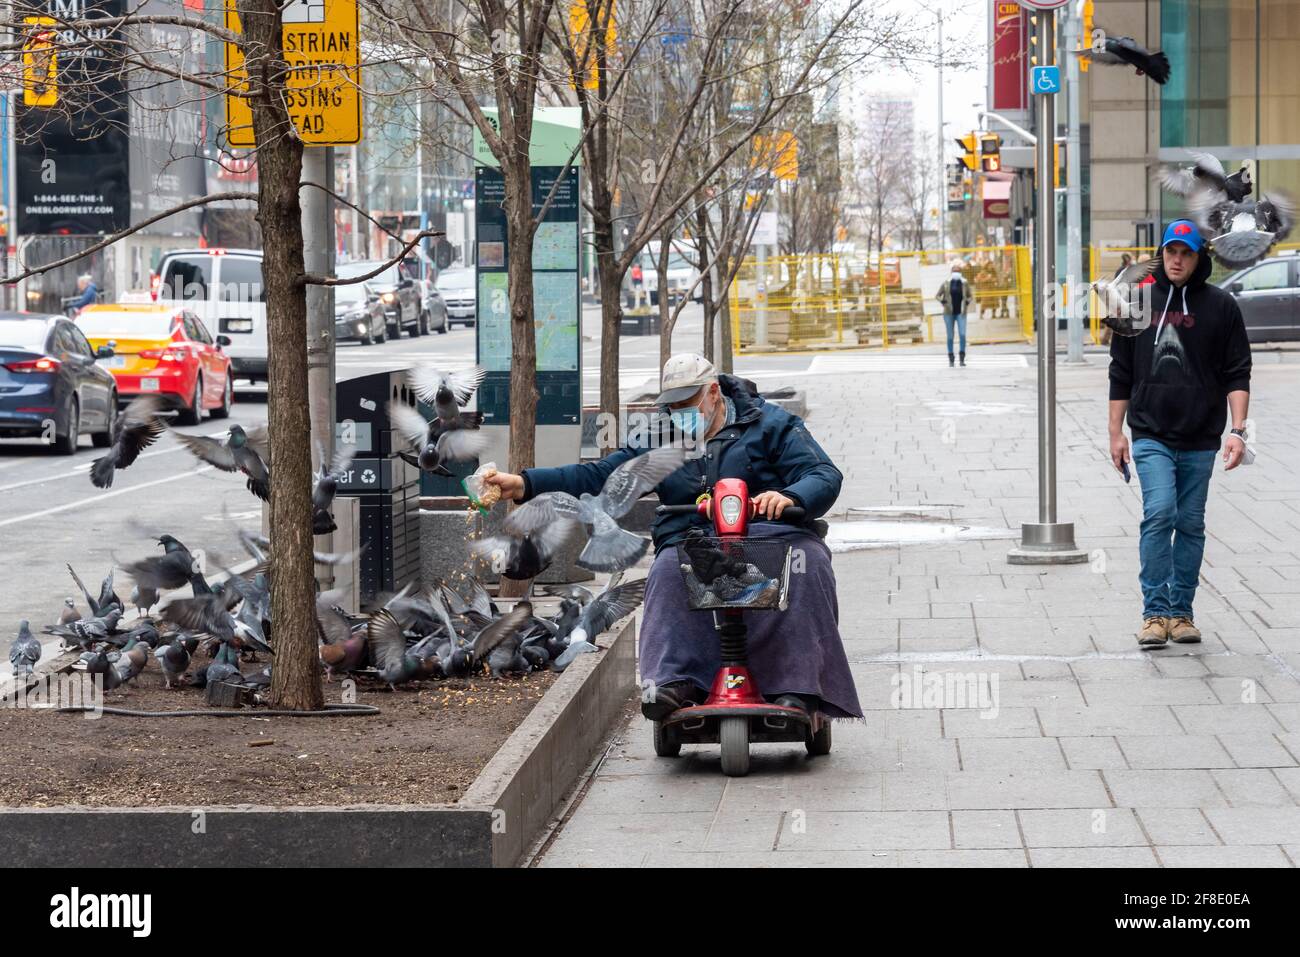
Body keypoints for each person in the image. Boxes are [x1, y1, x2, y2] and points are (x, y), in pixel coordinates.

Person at [485, 353, 863, 721]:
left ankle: (798, 685)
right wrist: (524, 483)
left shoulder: (771, 424)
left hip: (771, 534)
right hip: (692, 537)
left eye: (688, 403)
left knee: (805, 565)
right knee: (667, 572)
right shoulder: (658, 435)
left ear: (713, 392)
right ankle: (674, 681)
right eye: (672, 405)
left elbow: (823, 474)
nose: (680, 413)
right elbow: (599, 476)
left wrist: (790, 496)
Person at [1107, 220, 1252, 648]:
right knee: (1161, 513)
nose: (1177, 259)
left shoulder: (1222, 307)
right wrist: (1116, 433)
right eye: (1171, 250)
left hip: (1201, 436)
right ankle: (1154, 614)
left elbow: (1237, 372)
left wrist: (1238, 431)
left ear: (1198, 257)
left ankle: (1180, 612)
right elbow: (1120, 372)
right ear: (1162, 252)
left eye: (1186, 252)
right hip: (1151, 433)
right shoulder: (1135, 302)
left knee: (1190, 523)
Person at [935, 260, 973, 366]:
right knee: (950, 336)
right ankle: (951, 357)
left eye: (958, 271)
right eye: (954, 271)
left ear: (961, 273)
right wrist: (942, 301)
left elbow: (970, 296)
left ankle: (962, 357)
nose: (956, 273)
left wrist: (967, 301)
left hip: (961, 312)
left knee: (962, 334)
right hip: (948, 313)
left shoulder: (964, 283)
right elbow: (937, 295)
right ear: (951, 272)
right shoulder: (946, 283)